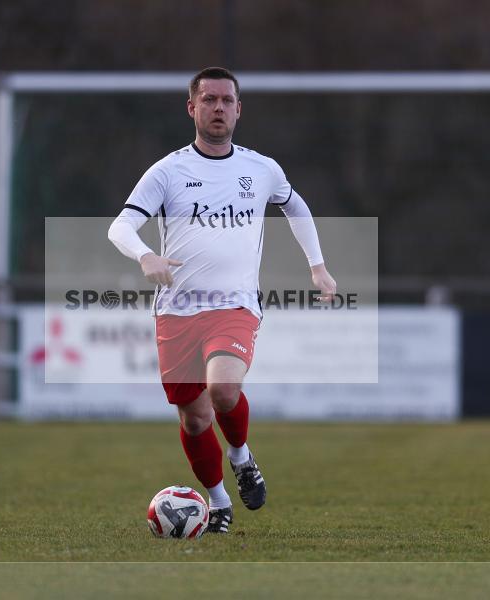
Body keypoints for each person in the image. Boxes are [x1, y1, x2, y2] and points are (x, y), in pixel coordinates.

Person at [108, 67, 336, 533]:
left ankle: (242, 457)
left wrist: (317, 265)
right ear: (192, 108)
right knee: (194, 421)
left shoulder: (261, 168)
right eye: (208, 99)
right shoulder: (168, 171)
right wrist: (146, 254)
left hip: (233, 306)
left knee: (223, 390)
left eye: (226, 100)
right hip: (176, 312)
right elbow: (120, 226)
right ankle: (218, 504)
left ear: (238, 109)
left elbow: (295, 205)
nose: (218, 107)